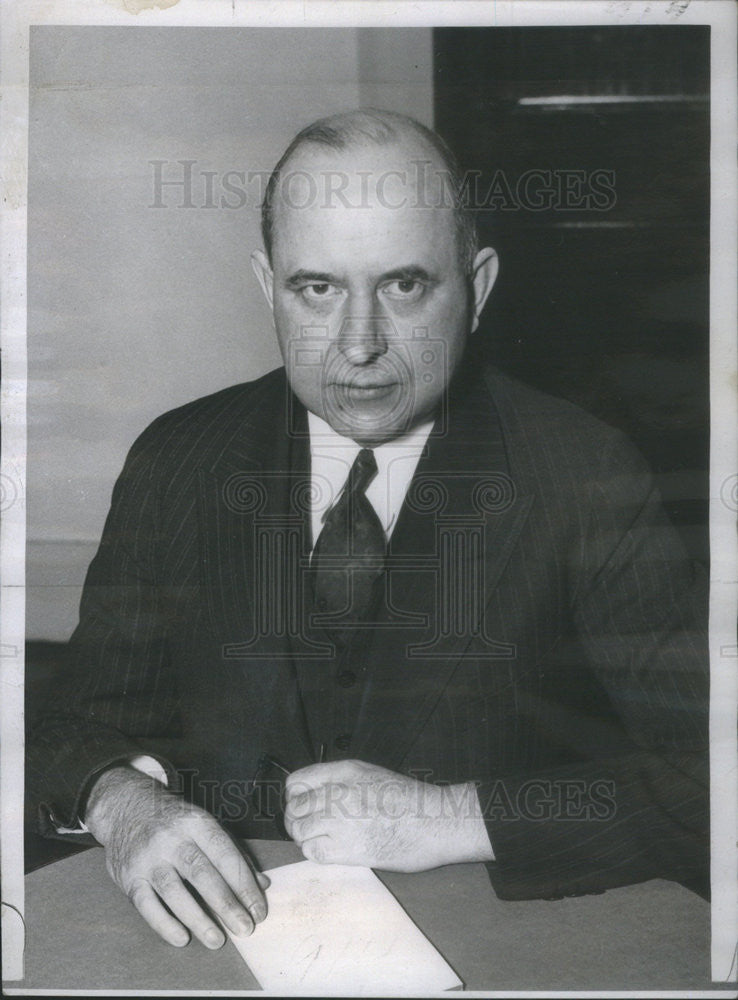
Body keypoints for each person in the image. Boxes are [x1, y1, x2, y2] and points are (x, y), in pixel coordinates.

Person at [27, 109, 709, 952]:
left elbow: (713, 780)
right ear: (265, 284)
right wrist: (123, 805)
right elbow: (68, 728)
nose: (360, 345)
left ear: (479, 286)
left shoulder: (585, 471)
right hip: (213, 960)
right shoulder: (179, 460)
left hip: (498, 952)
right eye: (317, 289)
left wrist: (452, 817)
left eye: (404, 285)